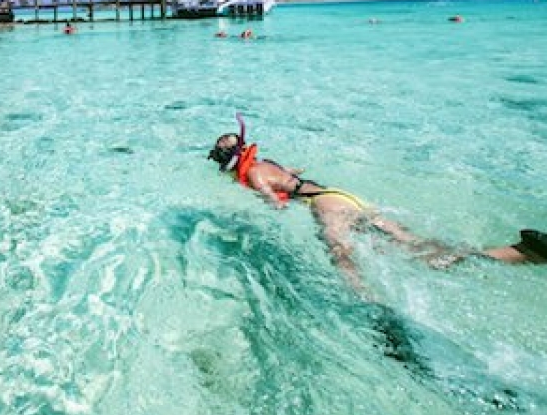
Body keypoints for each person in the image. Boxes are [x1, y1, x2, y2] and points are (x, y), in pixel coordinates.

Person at [208, 115, 546, 292]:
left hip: (325, 206)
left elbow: (276, 203)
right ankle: (519, 253)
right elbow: (292, 174)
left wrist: (265, 209)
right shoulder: (267, 163)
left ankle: (369, 306)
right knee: (414, 246)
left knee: (341, 256)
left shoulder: (253, 174)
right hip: (340, 195)